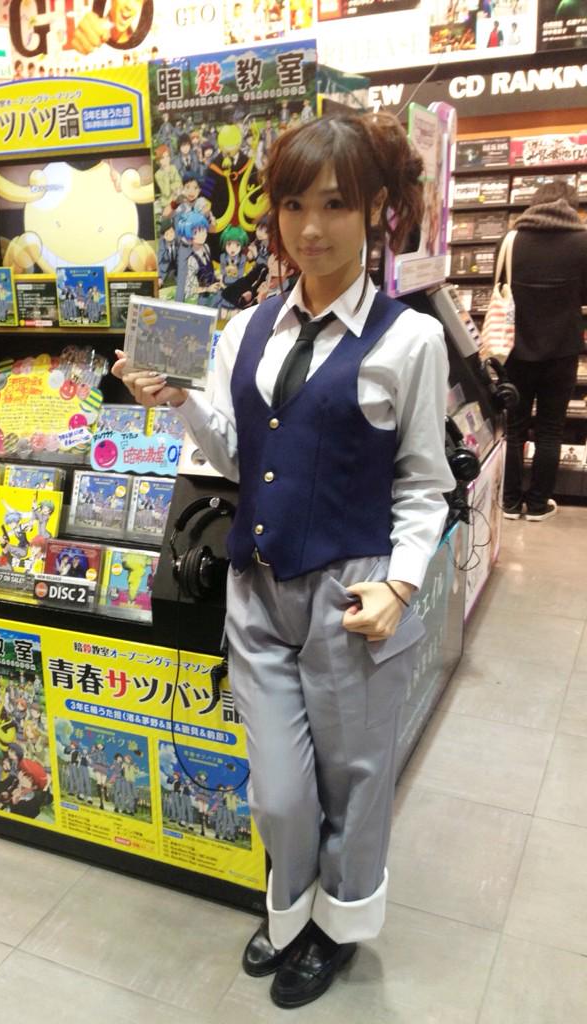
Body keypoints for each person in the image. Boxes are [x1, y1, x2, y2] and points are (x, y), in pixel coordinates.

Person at [114, 112, 453, 1009]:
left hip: (353, 589)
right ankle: (291, 905)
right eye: (294, 204)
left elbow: (426, 484)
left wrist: (401, 584)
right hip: (256, 587)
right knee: (279, 793)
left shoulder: (409, 340)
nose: (311, 228)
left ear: (376, 210)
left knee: (356, 781)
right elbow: (238, 454)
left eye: (336, 204)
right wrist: (178, 402)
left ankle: (335, 929)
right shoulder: (244, 330)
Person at [501, 180, 587, 521]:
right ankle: (537, 504)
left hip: (515, 348)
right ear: (571, 206)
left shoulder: (511, 240)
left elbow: (498, 287)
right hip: (562, 350)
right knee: (551, 428)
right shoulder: (582, 242)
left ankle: (509, 502)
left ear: (535, 203)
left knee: (512, 428)